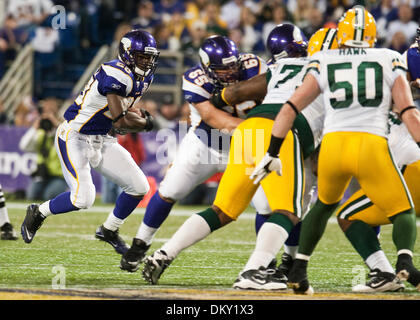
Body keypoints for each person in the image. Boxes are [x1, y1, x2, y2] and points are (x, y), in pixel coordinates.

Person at [252, 6, 420, 295]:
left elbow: (290, 107)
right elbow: (407, 111)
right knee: (402, 210)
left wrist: (272, 151)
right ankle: (405, 260)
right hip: (371, 144)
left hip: (333, 145)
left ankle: (299, 268)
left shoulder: (323, 58)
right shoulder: (390, 58)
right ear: (373, 34)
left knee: (323, 206)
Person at [140, 24, 322, 289]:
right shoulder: (324, 71)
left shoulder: (275, 69)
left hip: (246, 133)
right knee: (287, 211)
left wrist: (212, 102)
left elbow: (234, 93)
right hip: (279, 135)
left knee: (222, 210)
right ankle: (254, 271)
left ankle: (164, 254)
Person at [119, 35, 269, 273]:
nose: (230, 73)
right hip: (206, 145)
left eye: (233, 66)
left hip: (246, 149)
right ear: (208, 68)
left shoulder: (256, 66)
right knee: (169, 191)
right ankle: (140, 243)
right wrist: (261, 129)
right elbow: (213, 118)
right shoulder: (194, 79)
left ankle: (265, 263)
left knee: (266, 205)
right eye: (223, 69)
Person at [20, 29, 157, 255]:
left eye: (149, 57)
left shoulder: (142, 78)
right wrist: (145, 123)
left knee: (139, 187)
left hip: (102, 138)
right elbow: (120, 120)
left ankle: (109, 229)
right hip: (75, 136)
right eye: (142, 56)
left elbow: (123, 112)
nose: (146, 62)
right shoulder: (115, 73)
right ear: (127, 54)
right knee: (83, 198)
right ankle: (39, 212)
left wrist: (140, 119)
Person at [336, 110, 420, 292]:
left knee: (347, 216)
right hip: (411, 162)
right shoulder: (392, 98)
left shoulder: (356, 113)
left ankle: (385, 273)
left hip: (405, 168)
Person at [19, 98, 68, 201]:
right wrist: (34, 128)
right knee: (31, 196)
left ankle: (67, 190)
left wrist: (56, 125)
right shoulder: (41, 133)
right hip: (42, 174)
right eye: (46, 110)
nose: (48, 113)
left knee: (49, 197)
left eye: (51, 110)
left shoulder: (63, 131)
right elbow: (23, 146)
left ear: (57, 112)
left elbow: (69, 140)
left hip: (59, 176)